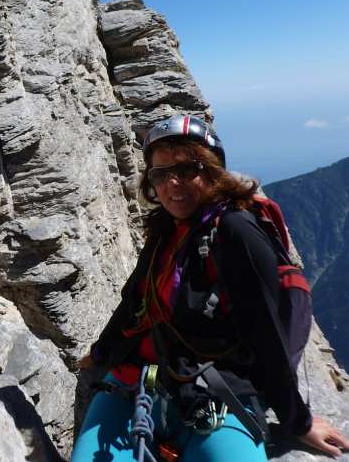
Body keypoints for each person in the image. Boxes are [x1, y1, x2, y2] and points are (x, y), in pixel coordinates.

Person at [72, 114, 349, 461]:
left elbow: (266, 335)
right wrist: (99, 355)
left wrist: (298, 421)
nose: (172, 183)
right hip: (139, 382)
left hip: (218, 395)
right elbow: (134, 302)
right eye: (160, 174)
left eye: (187, 169)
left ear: (212, 171)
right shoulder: (165, 230)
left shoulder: (237, 233)